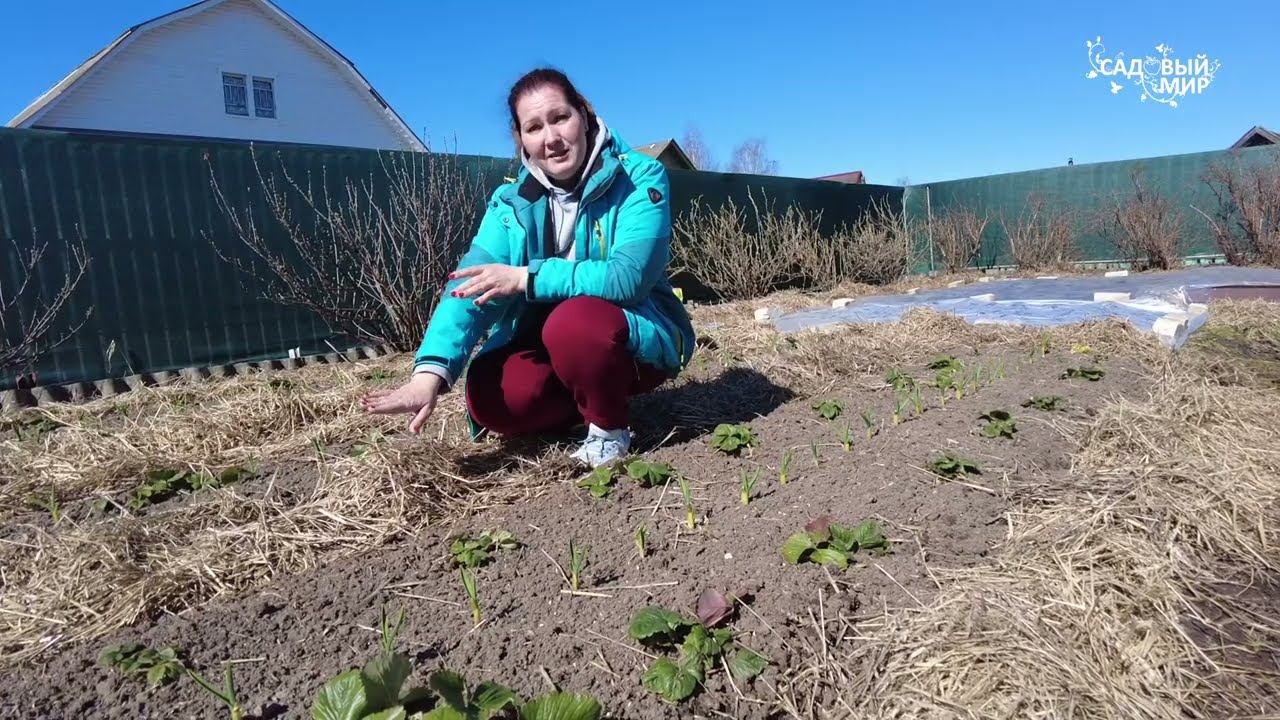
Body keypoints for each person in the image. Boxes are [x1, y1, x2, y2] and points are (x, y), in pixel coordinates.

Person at [362, 68, 696, 468]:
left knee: (574, 323)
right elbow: (471, 284)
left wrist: (525, 278)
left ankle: (609, 429)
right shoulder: (511, 202)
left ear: (585, 117)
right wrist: (428, 375)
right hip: (553, 342)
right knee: (492, 396)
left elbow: (628, 278)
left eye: (560, 118)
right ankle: (583, 404)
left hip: (629, 334)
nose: (551, 139)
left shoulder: (639, 177)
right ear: (521, 140)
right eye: (534, 127)